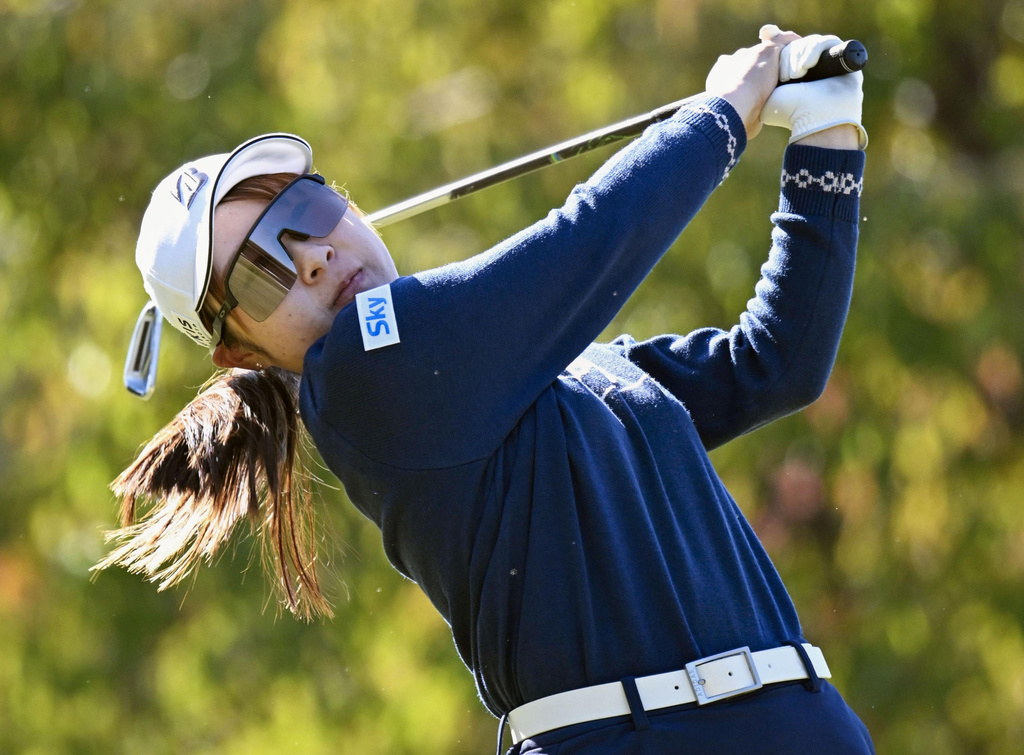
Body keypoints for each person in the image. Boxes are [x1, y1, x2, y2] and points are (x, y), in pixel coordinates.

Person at [100, 24, 874, 754]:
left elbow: (773, 363)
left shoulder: (572, 374)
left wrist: (826, 141)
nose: (311, 260)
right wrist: (724, 113)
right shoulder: (363, 377)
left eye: (305, 209)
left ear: (347, 201)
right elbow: (584, 241)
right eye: (260, 274)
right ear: (239, 350)